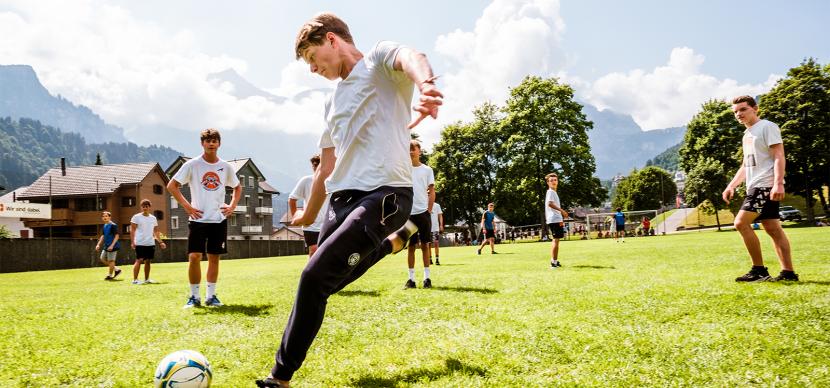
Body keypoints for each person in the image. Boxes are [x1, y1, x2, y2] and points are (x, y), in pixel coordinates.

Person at [256, 12, 443, 387]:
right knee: (330, 281)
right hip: (341, 201)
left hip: (386, 193)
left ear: (331, 40)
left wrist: (426, 86)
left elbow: (411, 55)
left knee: (312, 277)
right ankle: (394, 243)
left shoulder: (377, 62)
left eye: (311, 60)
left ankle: (280, 377)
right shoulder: (331, 103)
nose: (312, 70)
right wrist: (306, 215)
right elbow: (326, 170)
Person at [723, 95, 798, 282]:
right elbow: (746, 165)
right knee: (773, 228)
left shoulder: (767, 127)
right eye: (735, 112)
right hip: (754, 185)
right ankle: (788, 273)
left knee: (741, 223)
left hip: (764, 185)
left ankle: (759, 271)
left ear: (755, 108)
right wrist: (732, 185)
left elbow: (779, 155)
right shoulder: (747, 134)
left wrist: (778, 183)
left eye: (743, 109)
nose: (738, 114)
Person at [167, 128, 242, 307]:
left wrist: (232, 206)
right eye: (207, 140)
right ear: (202, 144)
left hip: (218, 220)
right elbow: (172, 185)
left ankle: (211, 296)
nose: (211, 143)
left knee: (214, 258)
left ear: (219, 144)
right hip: (198, 220)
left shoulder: (226, 166)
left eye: (214, 140)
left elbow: (237, 187)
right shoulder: (192, 165)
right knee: (194, 256)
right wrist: (187, 206)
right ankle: (194, 297)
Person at [404, 140, 435, 289]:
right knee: (411, 247)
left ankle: (427, 278)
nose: (410, 151)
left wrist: (429, 210)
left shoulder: (427, 170)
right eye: (408, 149)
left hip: (423, 213)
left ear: (419, 151)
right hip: (408, 215)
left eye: (413, 149)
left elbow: (432, 190)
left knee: (425, 246)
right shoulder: (403, 169)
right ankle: (411, 280)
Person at [288, 154, 329, 258]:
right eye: (313, 165)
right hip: (311, 226)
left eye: (318, 164)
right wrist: (296, 217)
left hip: (329, 224)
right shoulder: (306, 181)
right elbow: (292, 199)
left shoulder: (332, 181)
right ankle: (312, 274)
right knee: (314, 251)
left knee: (328, 253)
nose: (315, 167)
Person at [130, 199, 166, 284]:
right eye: (143, 206)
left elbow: (156, 231)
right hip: (139, 242)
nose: (145, 208)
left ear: (149, 207)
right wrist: (132, 242)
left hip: (150, 243)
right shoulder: (136, 217)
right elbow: (132, 230)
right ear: (141, 207)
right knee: (139, 260)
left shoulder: (153, 218)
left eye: (146, 206)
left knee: (148, 261)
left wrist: (160, 242)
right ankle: (135, 280)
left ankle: (147, 279)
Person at [545, 173, 568, 268]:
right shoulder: (550, 192)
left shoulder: (553, 192)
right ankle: (553, 263)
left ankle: (554, 260)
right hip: (554, 219)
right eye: (551, 180)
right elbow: (550, 204)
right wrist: (562, 211)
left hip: (556, 219)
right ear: (548, 183)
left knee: (556, 240)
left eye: (555, 180)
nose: (554, 182)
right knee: (555, 240)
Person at [95, 211, 122, 280]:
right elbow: (103, 236)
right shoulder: (105, 226)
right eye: (103, 216)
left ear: (110, 217)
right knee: (102, 258)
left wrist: (112, 245)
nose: (105, 217)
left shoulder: (113, 225)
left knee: (111, 261)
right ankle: (116, 269)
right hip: (106, 246)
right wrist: (98, 244)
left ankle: (110, 275)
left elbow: (117, 236)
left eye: (106, 216)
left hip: (113, 246)